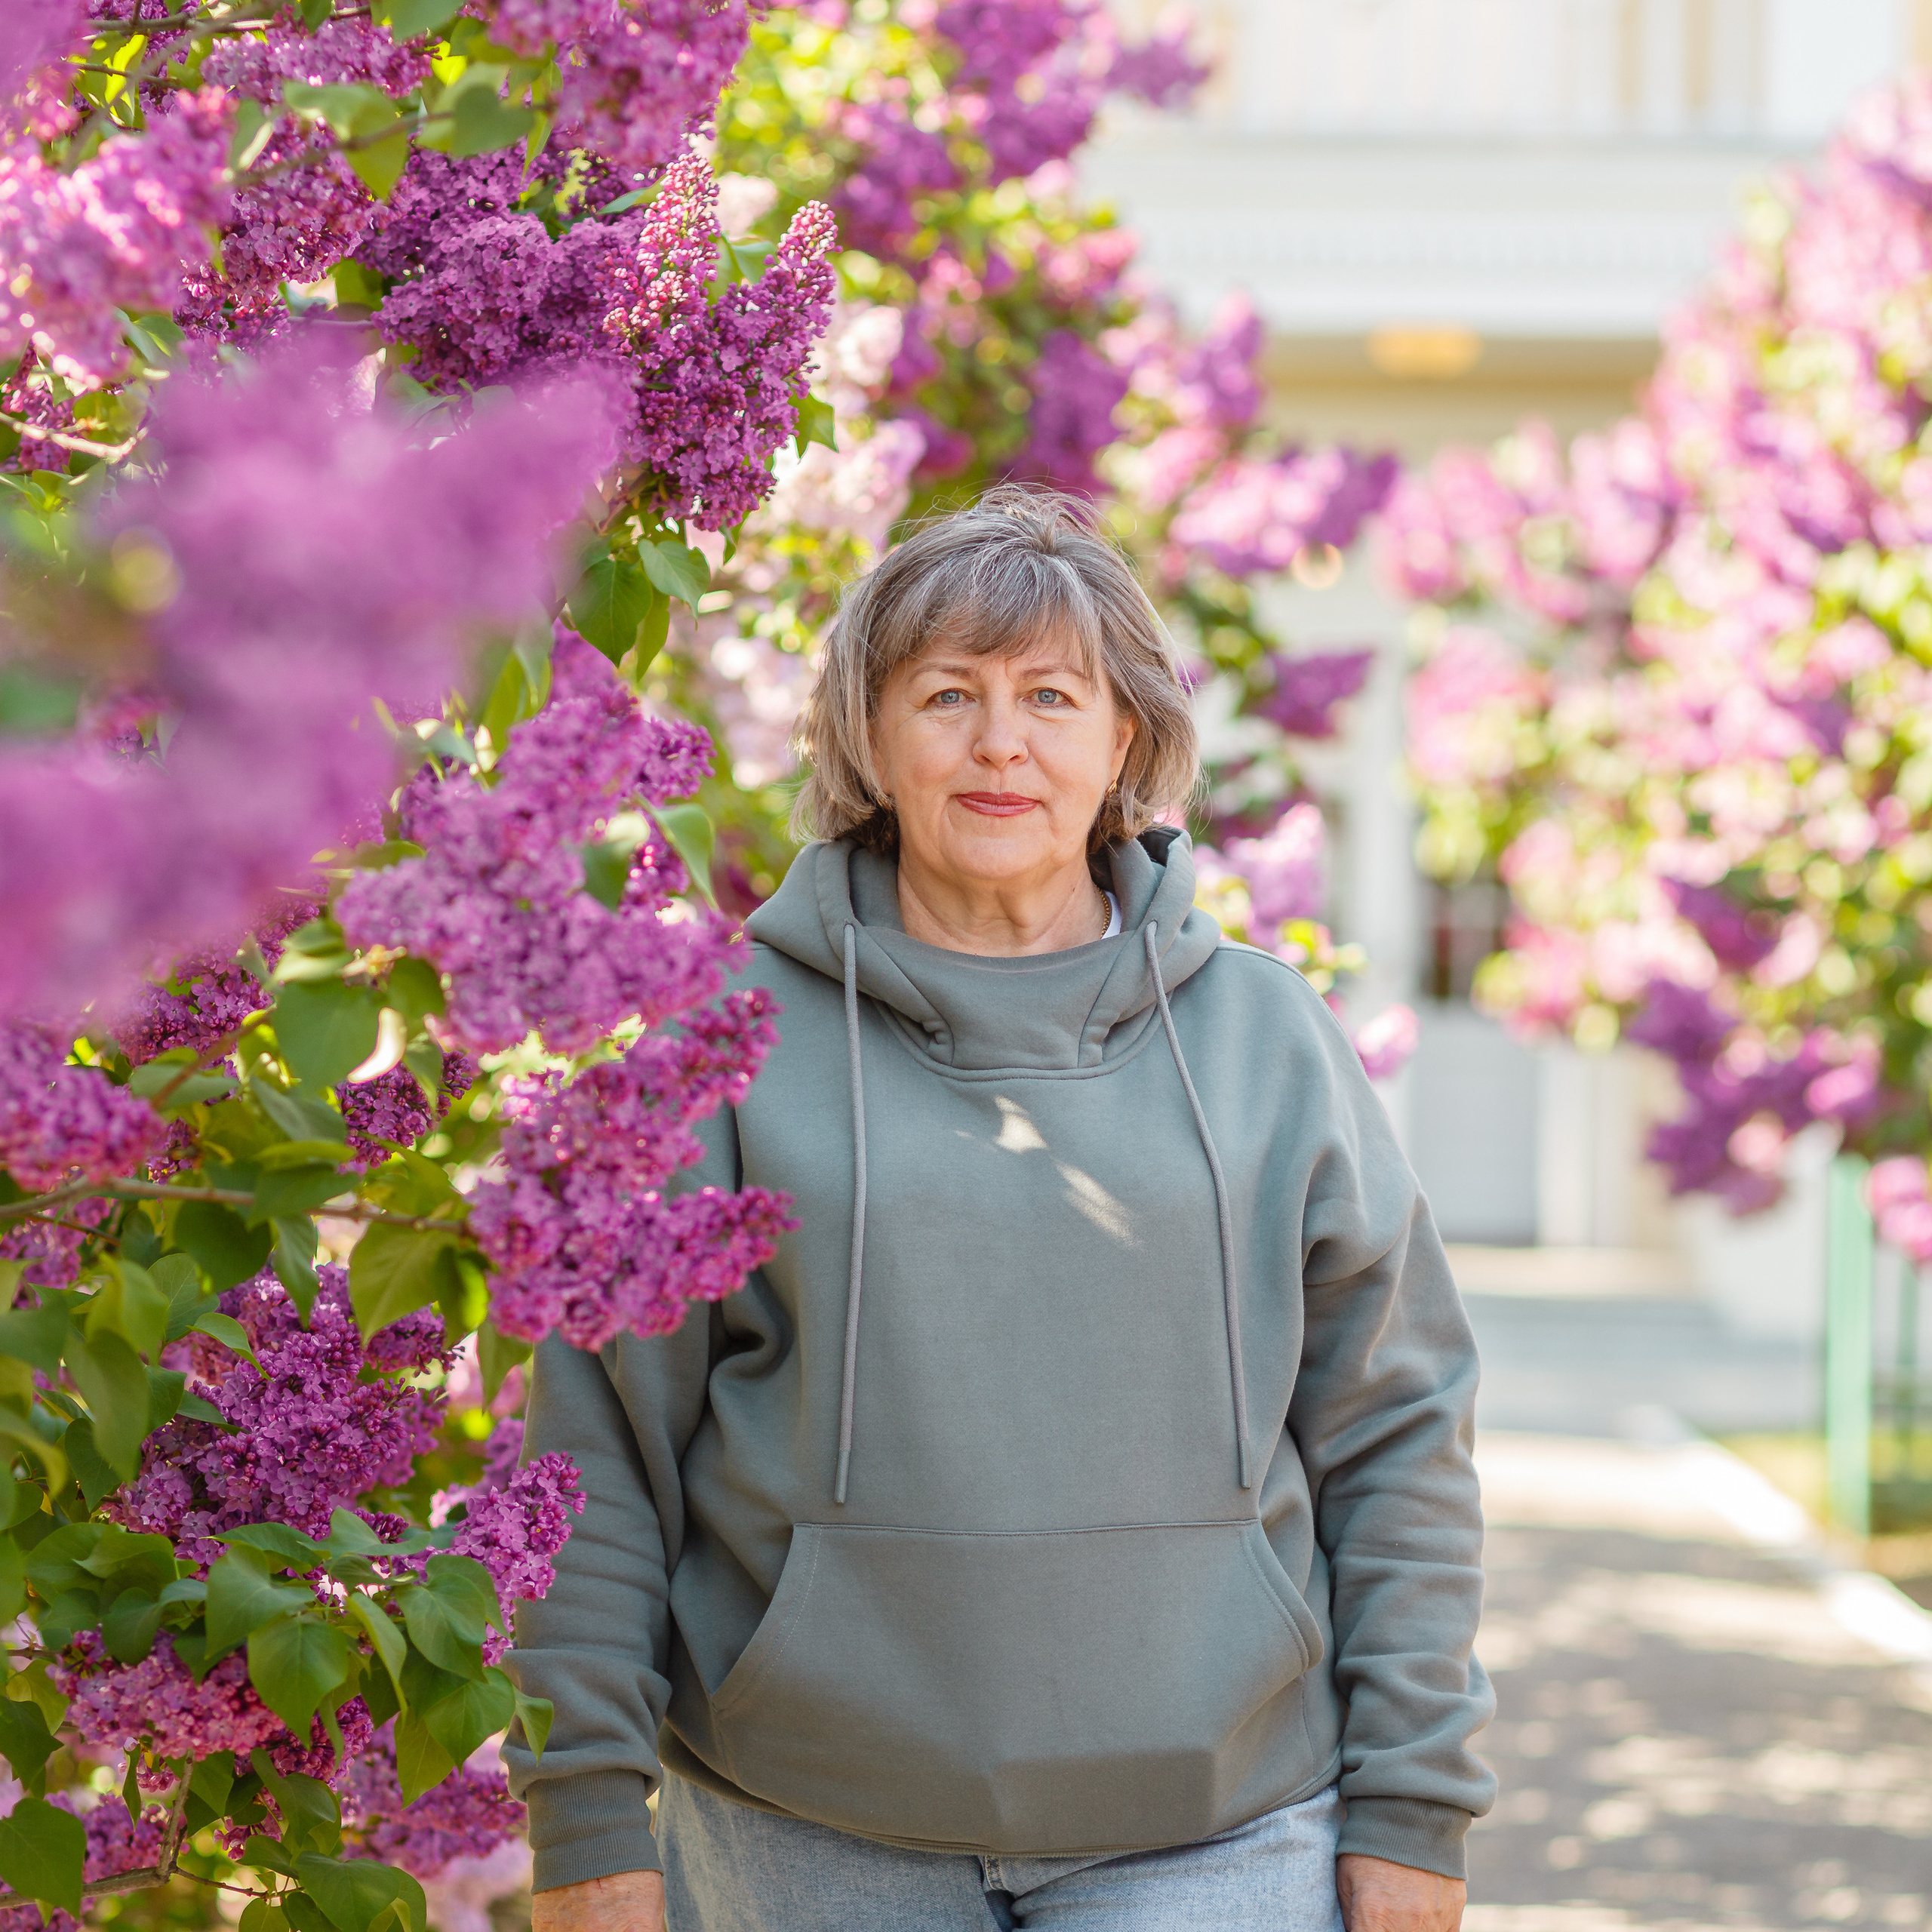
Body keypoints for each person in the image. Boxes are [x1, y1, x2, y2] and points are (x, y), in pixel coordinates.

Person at [505, 487, 1494, 1932]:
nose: (1000, 743)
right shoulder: (718, 1045)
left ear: (1126, 742)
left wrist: (1415, 1799)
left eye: (1049, 695)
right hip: (809, 1828)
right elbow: (595, 1444)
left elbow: (1397, 1427)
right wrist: (589, 1819)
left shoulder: (1268, 1041)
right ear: (869, 736)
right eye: (947, 694)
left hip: (1220, 1831)